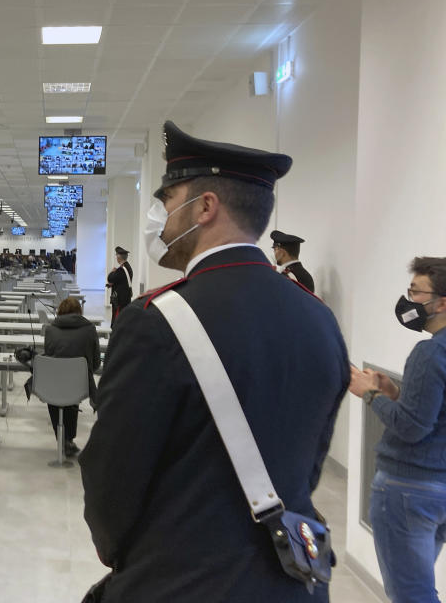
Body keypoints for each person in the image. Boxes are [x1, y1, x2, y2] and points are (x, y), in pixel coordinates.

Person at [79, 121, 348, 602]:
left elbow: (111, 476)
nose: (160, 221)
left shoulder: (155, 319)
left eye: (167, 203)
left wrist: (124, 554)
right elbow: (309, 462)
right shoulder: (319, 318)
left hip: (182, 580)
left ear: (205, 207)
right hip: (290, 582)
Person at [347, 257, 446, 602]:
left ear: (441, 303)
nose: (408, 300)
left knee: (412, 595)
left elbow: (412, 428)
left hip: (408, 490)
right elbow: (435, 414)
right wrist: (395, 393)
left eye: (415, 292)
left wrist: (369, 394)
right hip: (439, 489)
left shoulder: (430, 353)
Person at [42, 297, 100, 457]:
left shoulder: (50, 330)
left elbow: (49, 357)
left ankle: (62, 438)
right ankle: (68, 439)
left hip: (51, 386)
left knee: (56, 386)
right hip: (79, 385)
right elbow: (95, 364)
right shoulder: (90, 330)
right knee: (72, 388)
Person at [105, 246, 133, 322]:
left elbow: (110, 279)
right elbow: (119, 281)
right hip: (124, 298)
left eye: (116, 255)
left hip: (120, 300)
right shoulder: (127, 267)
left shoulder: (121, 270)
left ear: (119, 257)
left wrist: (112, 271)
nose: (116, 257)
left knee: (117, 320)